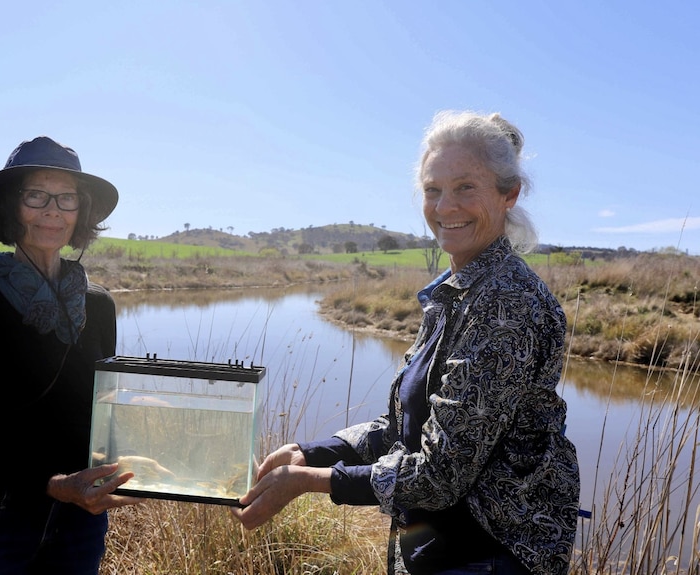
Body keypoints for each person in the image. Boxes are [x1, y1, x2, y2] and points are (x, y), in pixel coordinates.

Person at [232, 111, 581, 575]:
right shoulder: (453, 292)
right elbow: (409, 424)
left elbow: (441, 475)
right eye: (433, 189)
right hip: (438, 547)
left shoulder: (508, 304)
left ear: (508, 194)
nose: (444, 207)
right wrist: (316, 451)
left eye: (465, 188)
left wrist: (308, 480)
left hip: (489, 553)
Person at [0, 136, 141, 574]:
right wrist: (54, 484)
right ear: (12, 207)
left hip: (77, 521)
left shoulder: (99, 305)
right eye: (37, 195)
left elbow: (101, 413)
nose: (53, 210)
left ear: (81, 212)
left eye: (67, 198)